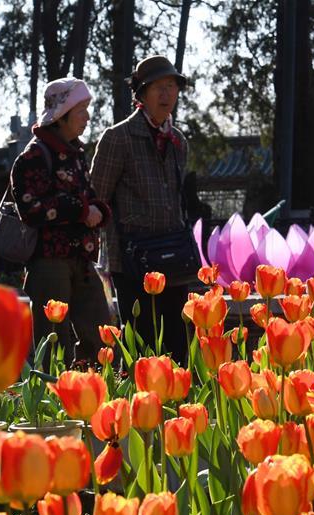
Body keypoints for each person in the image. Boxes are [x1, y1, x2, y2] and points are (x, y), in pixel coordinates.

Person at [90, 55, 190, 362]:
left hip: (173, 257)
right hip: (132, 261)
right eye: (158, 87)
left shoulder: (178, 141)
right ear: (141, 95)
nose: (166, 94)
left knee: (178, 344)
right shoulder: (117, 138)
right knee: (140, 344)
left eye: (171, 86)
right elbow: (97, 196)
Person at [12, 77, 114, 366]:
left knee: (100, 336)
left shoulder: (76, 155)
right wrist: (82, 211)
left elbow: (91, 197)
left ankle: (95, 399)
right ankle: (55, 405)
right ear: (62, 114)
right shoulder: (33, 156)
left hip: (81, 260)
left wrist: (98, 210)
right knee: (55, 343)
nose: (87, 117)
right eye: (81, 109)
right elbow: (31, 209)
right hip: (49, 263)